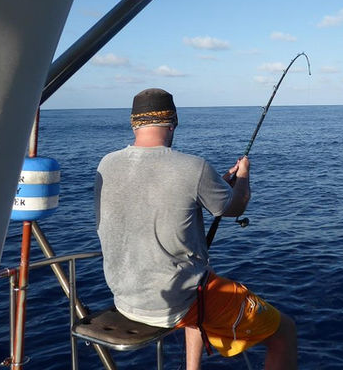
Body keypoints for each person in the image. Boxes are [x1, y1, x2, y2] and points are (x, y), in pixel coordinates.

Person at [95, 88, 297, 369]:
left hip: (125, 297)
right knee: (284, 331)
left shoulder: (107, 164)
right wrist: (243, 176)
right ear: (173, 122)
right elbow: (235, 207)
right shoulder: (193, 167)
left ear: (134, 124)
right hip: (174, 303)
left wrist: (216, 186)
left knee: (201, 277)